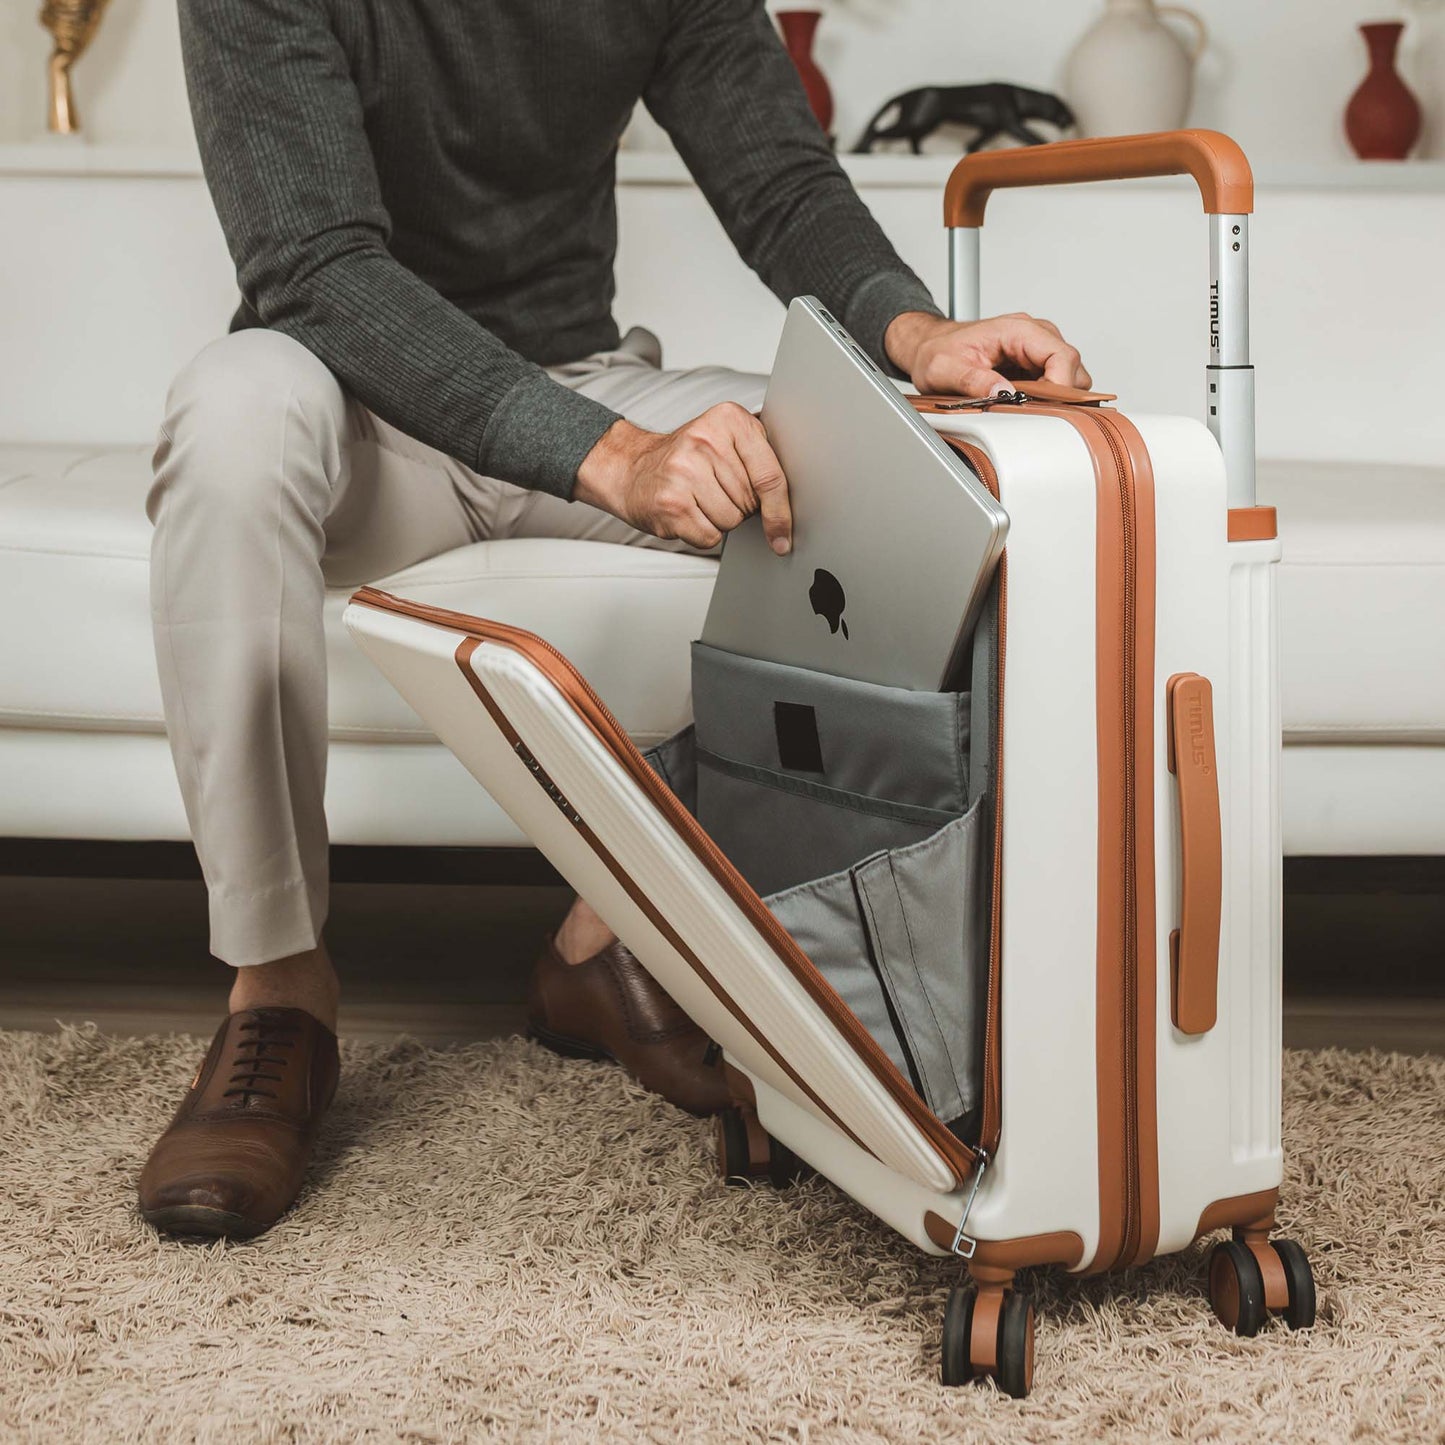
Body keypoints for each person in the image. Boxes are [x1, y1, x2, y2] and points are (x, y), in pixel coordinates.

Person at [138, 0, 1092, 1241]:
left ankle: (605, 939)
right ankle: (277, 989)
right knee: (230, 414)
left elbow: (776, 178)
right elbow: (312, 265)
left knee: (895, 475)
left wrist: (917, 334)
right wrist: (609, 456)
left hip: (575, 377)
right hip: (353, 405)